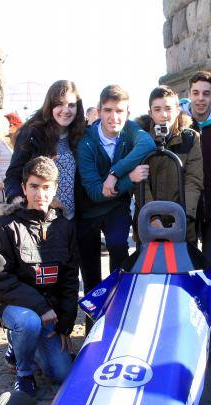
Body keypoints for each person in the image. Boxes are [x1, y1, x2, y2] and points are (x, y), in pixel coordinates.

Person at [0, 156, 78, 397]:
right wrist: (40, 307)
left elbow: (69, 278)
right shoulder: (4, 226)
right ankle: (23, 371)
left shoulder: (65, 227)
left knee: (63, 374)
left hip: (50, 312)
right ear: (24, 188)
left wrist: (65, 326)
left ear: (55, 188)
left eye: (47, 187)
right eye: (34, 186)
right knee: (28, 323)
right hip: (15, 306)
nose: (40, 194)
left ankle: (28, 342)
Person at [75, 84, 156, 292]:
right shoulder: (86, 142)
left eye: (120, 111)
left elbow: (147, 145)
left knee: (119, 245)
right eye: (108, 110)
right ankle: (92, 317)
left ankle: (118, 302)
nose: (114, 117)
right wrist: (128, 177)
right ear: (99, 111)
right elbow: (95, 191)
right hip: (88, 209)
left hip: (116, 207)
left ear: (127, 113)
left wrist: (114, 173)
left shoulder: (129, 129)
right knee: (90, 265)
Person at [5, 80, 85, 221]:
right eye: (59, 104)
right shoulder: (31, 134)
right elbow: (13, 175)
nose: (66, 110)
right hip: (41, 218)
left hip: (74, 220)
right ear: (50, 106)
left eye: (71, 105)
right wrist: (21, 205)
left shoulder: (81, 135)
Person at [135, 85, 203, 244]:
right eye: (157, 109)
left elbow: (194, 180)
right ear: (150, 113)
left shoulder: (191, 138)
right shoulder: (140, 138)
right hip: (148, 221)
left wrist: (183, 217)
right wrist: (152, 217)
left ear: (177, 110)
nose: (163, 115)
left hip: (182, 222)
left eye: (168, 108)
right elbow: (139, 183)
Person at [179, 71, 211, 269]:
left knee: (210, 264)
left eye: (206, 93)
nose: (200, 98)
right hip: (185, 205)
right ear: (189, 94)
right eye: (196, 93)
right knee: (187, 264)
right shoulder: (178, 121)